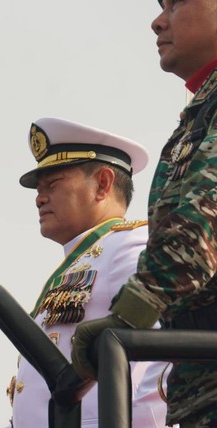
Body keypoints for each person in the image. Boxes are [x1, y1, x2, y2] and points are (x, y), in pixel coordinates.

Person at [71, 1, 217, 426]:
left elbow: (201, 218)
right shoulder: (202, 107)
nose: (158, 21)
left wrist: (130, 316)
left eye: (177, 4)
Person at [8, 117, 168, 427]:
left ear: (103, 184)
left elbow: (167, 349)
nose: (39, 198)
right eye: (39, 190)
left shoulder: (126, 246)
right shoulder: (81, 259)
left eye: (53, 185)